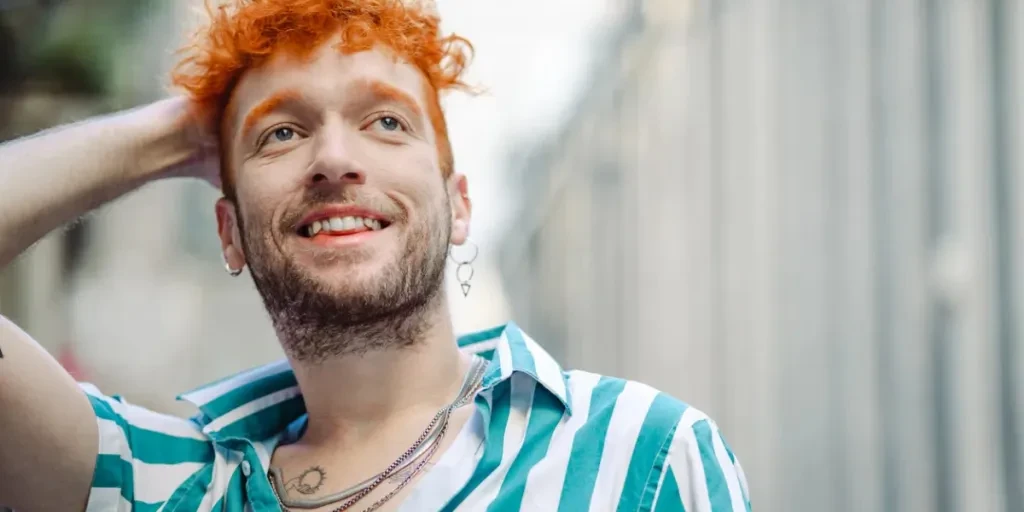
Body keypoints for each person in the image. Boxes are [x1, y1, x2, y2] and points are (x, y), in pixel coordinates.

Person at [0, 1, 751, 511]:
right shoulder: (172, 483)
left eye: (385, 121)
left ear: (458, 204)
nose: (333, 158)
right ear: (229, 231)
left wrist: (259, 118)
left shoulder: (642, 455)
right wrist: (176, 130)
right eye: (283, 133)